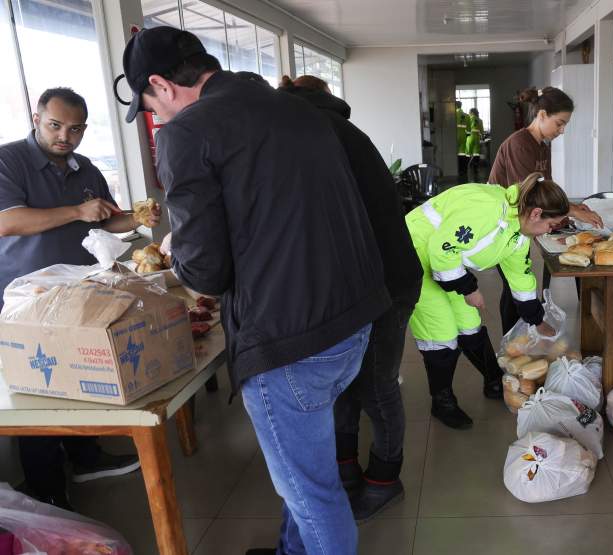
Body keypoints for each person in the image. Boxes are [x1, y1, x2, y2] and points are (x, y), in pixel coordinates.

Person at [117, 27, 390, 554]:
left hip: (288, 339)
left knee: (312, 492)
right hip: (352, 319)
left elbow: (206, 272)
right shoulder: (296, 109)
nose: (157, 118)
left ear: (160, 85)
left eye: (149, 105)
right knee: (303, 465)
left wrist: (179, 248)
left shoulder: (188, 133)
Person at [278, 74, 423, 522]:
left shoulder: (315, 136)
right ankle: (345, 473)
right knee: (341, 383)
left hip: (384, 282)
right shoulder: (331, 130)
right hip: (353, 284)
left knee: (375, 385)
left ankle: (384, 479)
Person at [0, 87, 150, 510]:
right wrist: (75, 211)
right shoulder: (8, 160)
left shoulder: (86, 169)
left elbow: (110, 218)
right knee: (38, 387)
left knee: (82, 379)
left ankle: (87, 458)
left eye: (76, 129)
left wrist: (138, 217)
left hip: (80, 293)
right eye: (56, 125)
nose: (66, 136)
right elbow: (7, 222)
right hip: (26, 298)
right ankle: (45, 484)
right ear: (36, 118)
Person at [407, 173, 568, 429]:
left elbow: (519, 275)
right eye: (552, 225)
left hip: (445, 260)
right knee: (441, 333)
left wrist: (536, 319)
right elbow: (442, 248)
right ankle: (442, 401)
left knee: (469, 322)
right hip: (414, 252)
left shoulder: (518, 231)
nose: (551, 231)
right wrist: (468, 289)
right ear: (536, 213)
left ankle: (493, 380)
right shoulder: (487, 210)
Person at [487, 86, 603, 334]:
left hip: (523, 223)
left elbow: (545, 188)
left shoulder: (541, 145)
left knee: (527, 284)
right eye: (559, 123)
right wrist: (571, 211)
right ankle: (513, 344)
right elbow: (530, 195)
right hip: (503, 225)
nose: (562, 130)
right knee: (514, 288)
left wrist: (566, 209)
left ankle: (528, 338)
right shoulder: (520, 144)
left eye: (565, 125)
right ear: (541, 115)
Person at [465, 107, 484, 181]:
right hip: (477, 138)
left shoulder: (469, 118)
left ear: (471, 112)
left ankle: (467, 167)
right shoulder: (480, 120)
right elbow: (482, 131)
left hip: (469, 137)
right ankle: (475, 168)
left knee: (468, 153)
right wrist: (482, 137)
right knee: (476, 154)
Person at [455, 100, 469, 181]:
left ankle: (457, 169)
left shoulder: (453, 114)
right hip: (464, 136)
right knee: (462, 153)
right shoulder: (466, 115)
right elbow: (469, 129)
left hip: (455, 136)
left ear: (456, 106)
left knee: (455, 153)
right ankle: (463, 170)